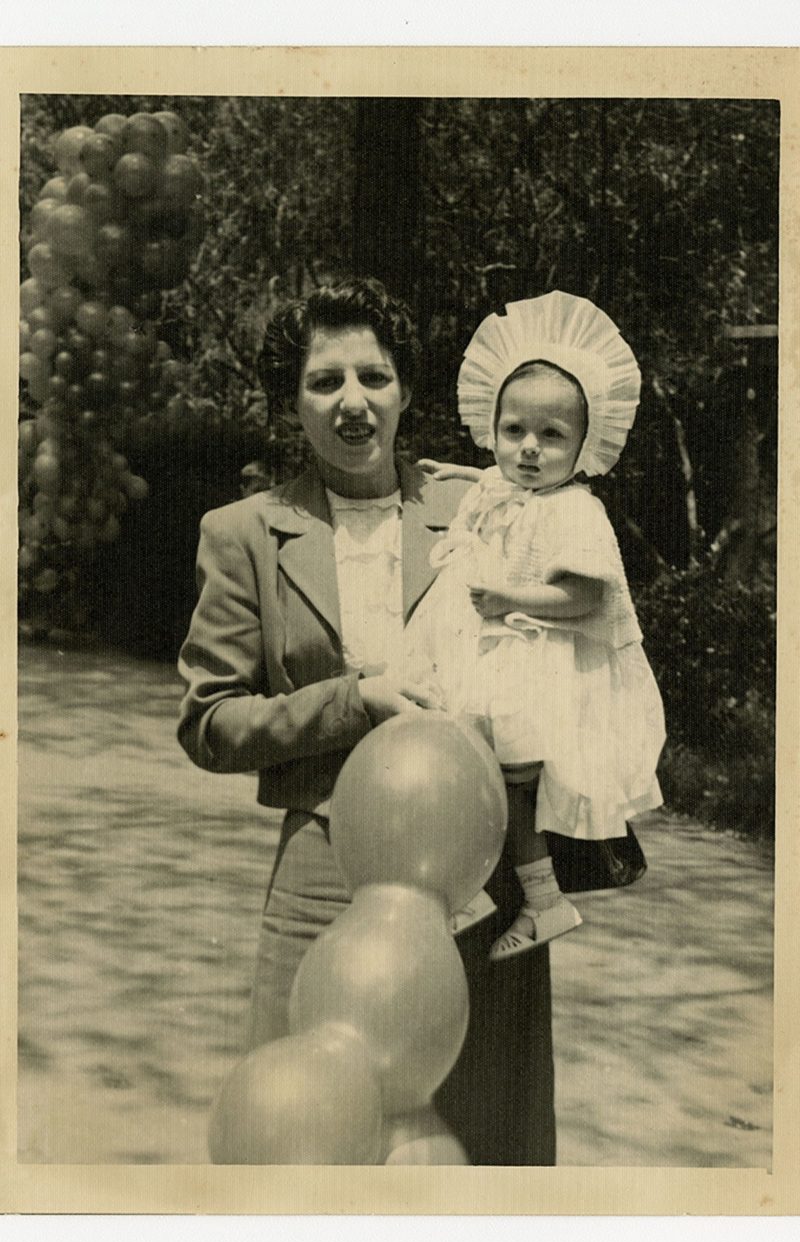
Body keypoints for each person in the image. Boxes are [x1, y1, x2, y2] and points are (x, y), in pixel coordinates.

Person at [177, 277, 556, 1165]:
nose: (354, 403)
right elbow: (209, 721)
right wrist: (355, 702)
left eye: (375, 377)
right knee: (303, 1140)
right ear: (291, 404)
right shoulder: (243, 533)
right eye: (325, 382)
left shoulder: (480, 505)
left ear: (407, 390)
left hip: (474, 872)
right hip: (324, 868)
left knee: (478, 1135)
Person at [409, 291, 666, 960]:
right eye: (514, 430)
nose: (528, 450)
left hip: (537, 672)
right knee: (458, 765)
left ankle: (527, 897)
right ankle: (513, 895)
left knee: (493, 779)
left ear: (584, 446)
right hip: (488, 658)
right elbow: (498, 480)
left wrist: (509, 598)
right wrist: (465, 471)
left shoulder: (577, 511)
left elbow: (586, 598)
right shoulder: (509, 484)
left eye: (551, 436)